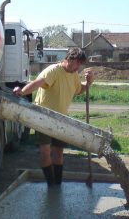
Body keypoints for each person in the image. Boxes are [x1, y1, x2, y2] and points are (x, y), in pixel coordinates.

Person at [13, 47, 94, 187]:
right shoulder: (53, 71)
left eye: (80, 65)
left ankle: (57, 184)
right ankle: (51, 185)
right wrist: (23, 91)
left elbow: (79, 89)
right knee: (45, 153)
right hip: (44, 117)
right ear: (69, 59)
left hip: (61, 119)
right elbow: (37, 83)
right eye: (77, 64)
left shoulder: (73, 74)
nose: (78, 68)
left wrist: (88, 83)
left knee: (59, 153)